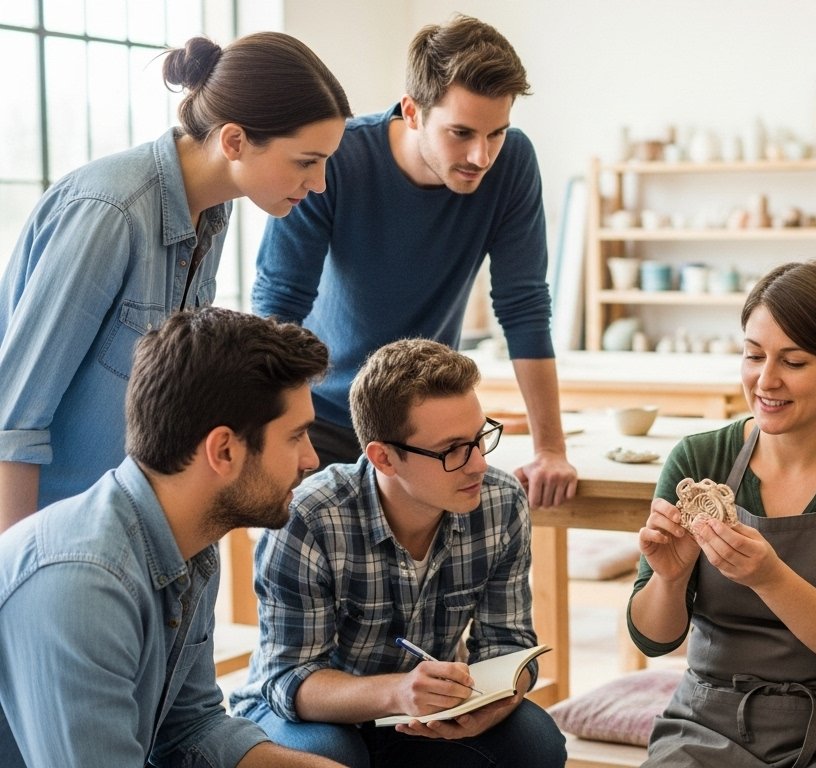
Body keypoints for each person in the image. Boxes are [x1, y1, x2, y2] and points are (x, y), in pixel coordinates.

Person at [0, 32, 350, 533]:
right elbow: (12, 421)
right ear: (234, 141)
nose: (319, 184)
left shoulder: (214, 210)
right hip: (62, 535)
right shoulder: (109, 213)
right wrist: (19, 577)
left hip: (140, 526)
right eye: (306, 162)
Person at [251, 14, 576, 509]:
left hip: (432, 425)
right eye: (461, 132)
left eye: (496, 134)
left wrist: (550, 448)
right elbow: (278, 304)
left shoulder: (511, 165)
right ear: (413, 111)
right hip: (324, 416)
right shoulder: (333, 160)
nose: (481, 156)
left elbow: (524, 305)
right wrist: (269, 432)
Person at [0, 307, 340, 768]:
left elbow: (191, 726)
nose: (311, 459)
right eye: (296, 436)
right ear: (223, 450)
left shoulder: (192, 543)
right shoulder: (84, 584)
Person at [628, 260, 816, 767]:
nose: (765, 380)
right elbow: (653, 640)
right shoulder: (699, 460)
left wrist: (770, 578)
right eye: (753, 355)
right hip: (707, 723)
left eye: (793, 362)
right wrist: (670, 578)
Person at [230, 338, 565, 768]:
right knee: (332, 755)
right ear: (383, 458)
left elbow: (508, 643)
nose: (478, 463)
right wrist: (398, 691)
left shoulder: (500, 502)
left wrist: (493, 704)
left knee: (536, 742)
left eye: (480, 437)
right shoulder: (311, 517)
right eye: (452, 450)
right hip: (309, 716)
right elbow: (289, 678)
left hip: (425, 712)